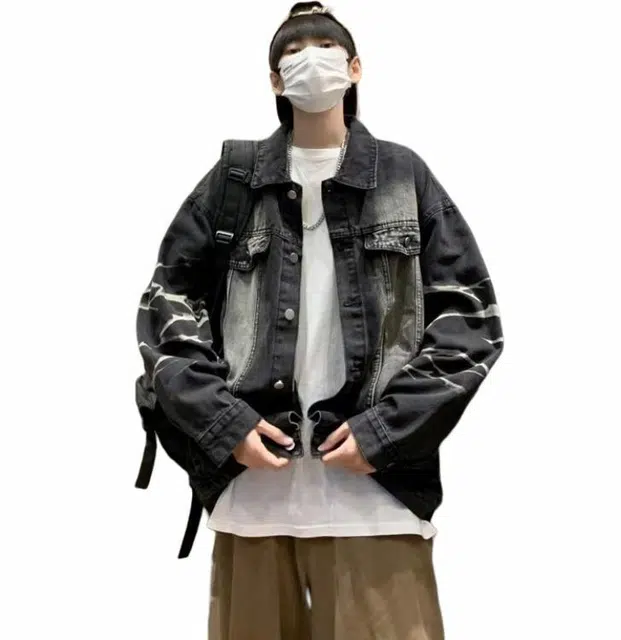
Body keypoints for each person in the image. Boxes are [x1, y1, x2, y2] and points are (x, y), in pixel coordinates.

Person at [135, 2, 504, 638]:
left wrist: (387, 433)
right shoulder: (235, 181)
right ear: (274, 80)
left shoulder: (402, 175)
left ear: (356, 68)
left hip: (378, 500)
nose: (311, 61)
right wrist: (225, 425)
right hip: (252, 500)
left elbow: (470, 320)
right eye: (292, 53)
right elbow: (167, 308)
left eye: (327, 49)